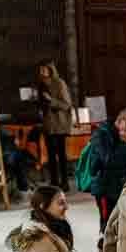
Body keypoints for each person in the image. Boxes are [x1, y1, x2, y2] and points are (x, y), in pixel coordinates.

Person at [89, 107, 126, 252]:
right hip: (104, 190)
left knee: (117, 227)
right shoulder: (102, 135)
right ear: (121, 121)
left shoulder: (115, 136)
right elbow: (109, 161)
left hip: (116, 188)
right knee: (106, 227)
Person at [36, 60, 74, 190]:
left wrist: (50, 100)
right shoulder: (41, 85)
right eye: (40, 70)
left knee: (61, 155)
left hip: (59, 125)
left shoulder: (59, 84)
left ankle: (65, 182)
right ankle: (54, 182)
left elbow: (66, 104)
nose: (42, 72)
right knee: (51, 155)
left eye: (44, 70)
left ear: (50, 70)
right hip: (48, 125)